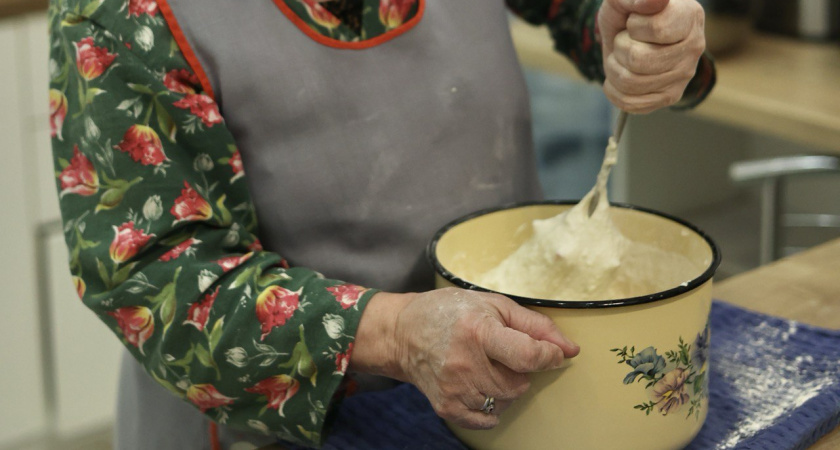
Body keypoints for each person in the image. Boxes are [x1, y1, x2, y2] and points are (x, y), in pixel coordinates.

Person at [48, 0, 714, 448]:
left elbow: (601, 16)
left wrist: (653, 44)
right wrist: (399, 335)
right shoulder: (121, 16)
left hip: (506, 409)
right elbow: (153, 278)